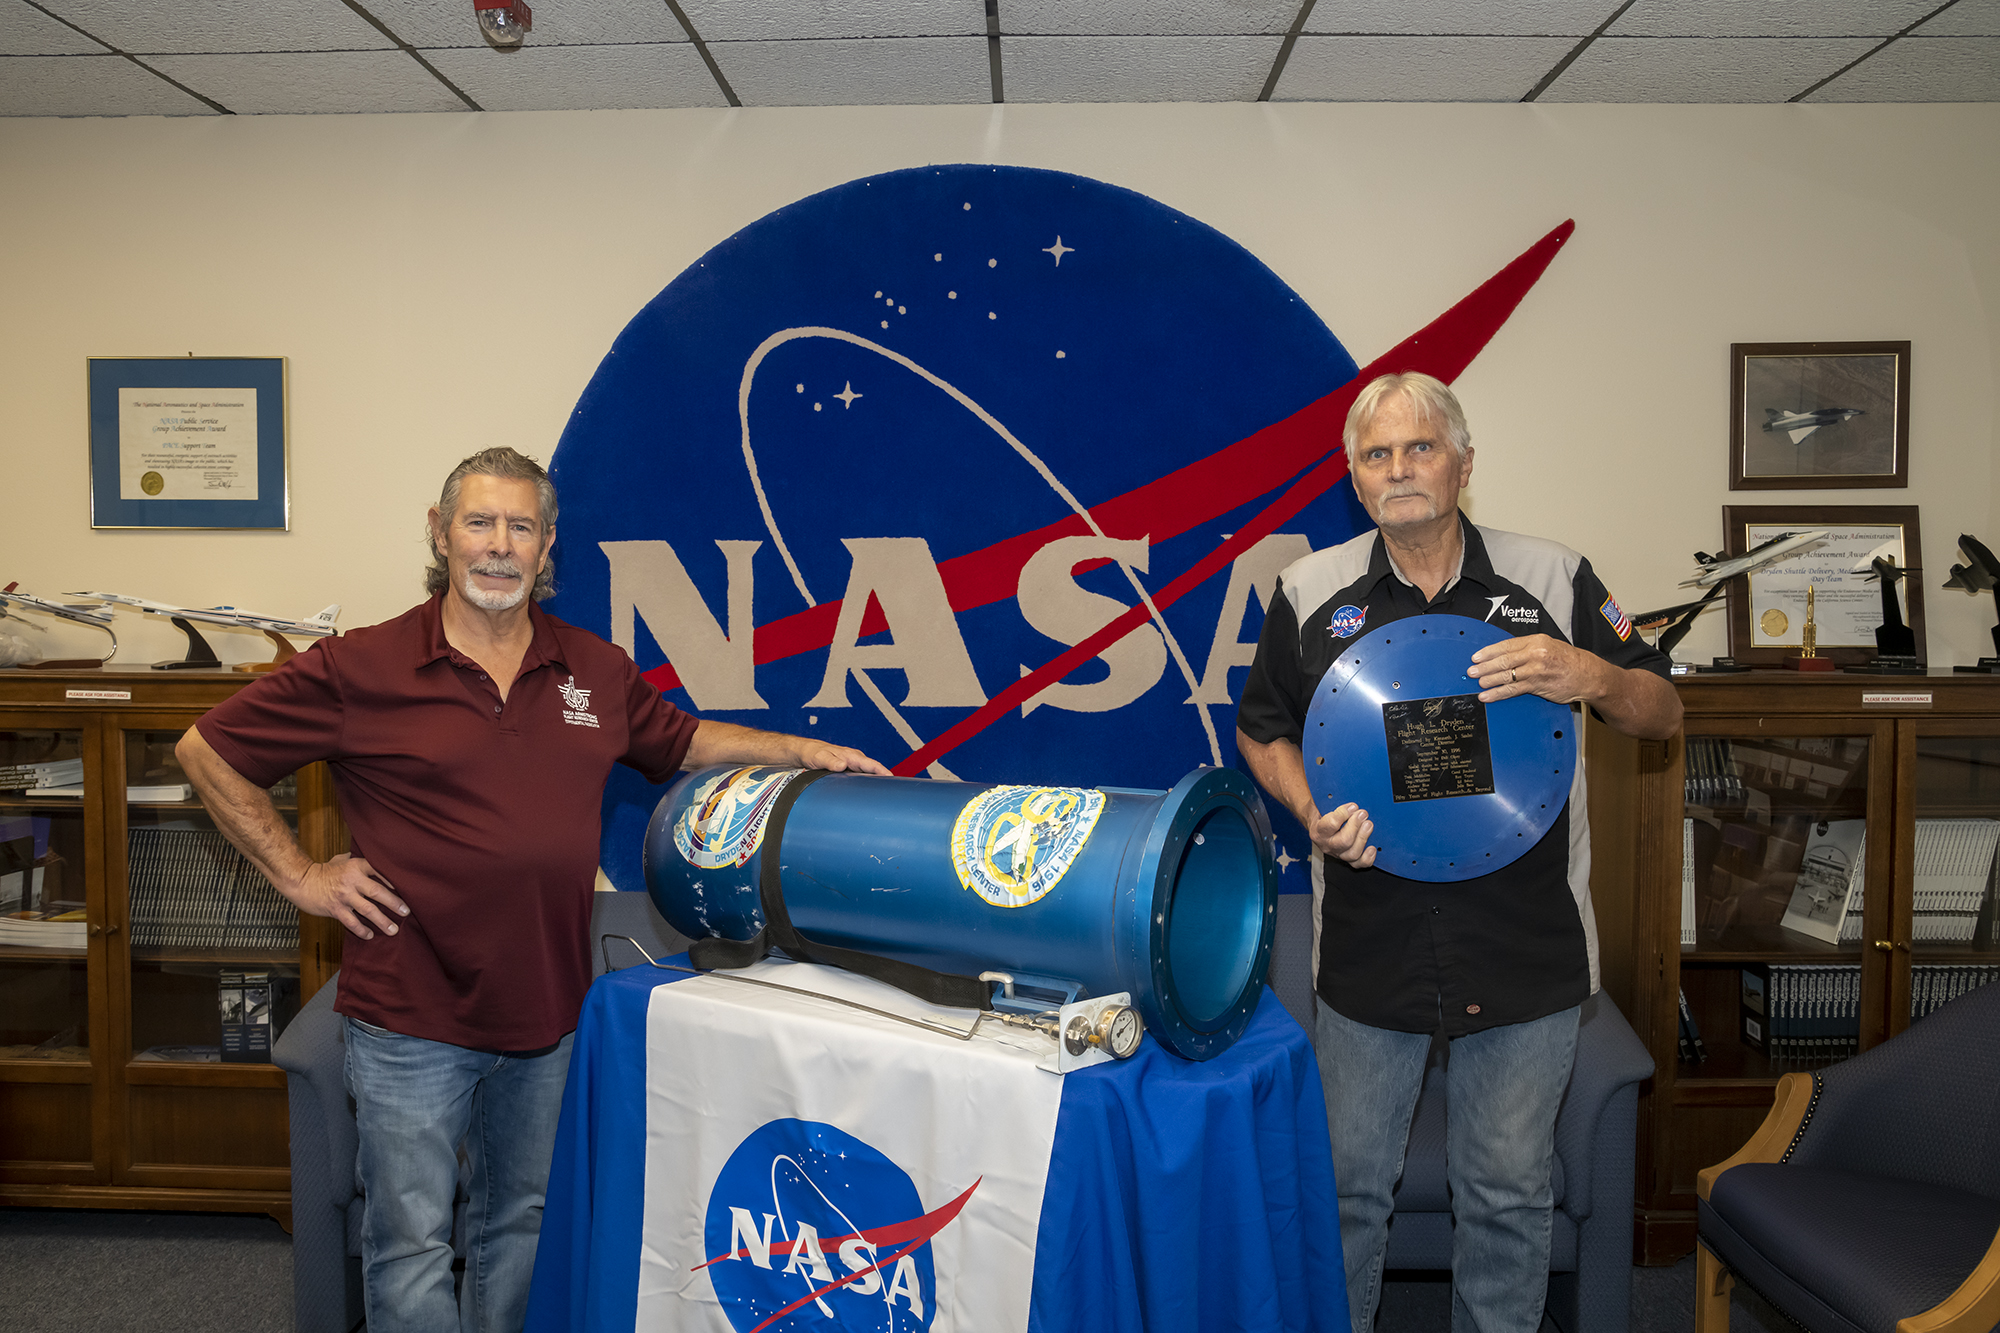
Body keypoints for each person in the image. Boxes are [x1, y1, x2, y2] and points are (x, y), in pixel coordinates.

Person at [177, 447, 887, 1333]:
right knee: (409, 1246)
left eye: (522, 526)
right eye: (480, 522)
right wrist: (301, 874)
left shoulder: (593, 665)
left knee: (521, 1225)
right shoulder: (361, 666)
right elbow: (206, 751)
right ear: (440, 535)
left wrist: (801, 752)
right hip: (407, 1020)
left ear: (548, 546)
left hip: (547, 1015)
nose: (500, 546)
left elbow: (686, 740)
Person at [1234, 373, 1680, 1332]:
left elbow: (1662, 707)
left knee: (1509, 1199)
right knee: (1349, 1195)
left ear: (1464, 463)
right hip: (1367, 949)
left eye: (1420, 447)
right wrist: (1311, 807)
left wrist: (1591, 671)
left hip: (1525, 948)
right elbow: (1261, 729)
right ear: (1355, 479)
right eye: (1377, 455)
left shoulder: (1557, 576)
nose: (1400, 470)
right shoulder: (1309, 589)